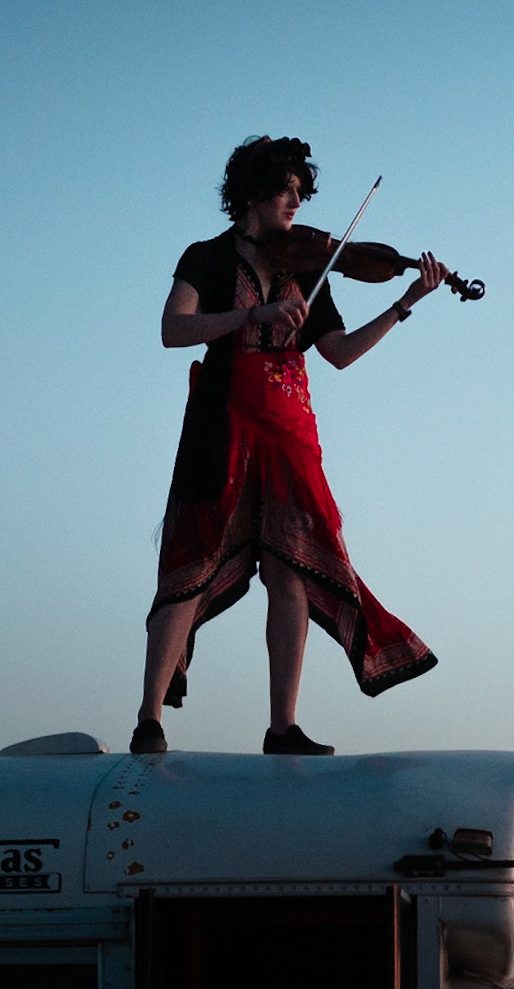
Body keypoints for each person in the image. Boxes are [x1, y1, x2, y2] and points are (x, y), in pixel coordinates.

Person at [132, 136, 442, 755]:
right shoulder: (207, 256)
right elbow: (173, 328)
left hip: (290, 426)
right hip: (223, 416)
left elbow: (339, 353)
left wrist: (404, 304)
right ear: (253, 194)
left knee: (291, 566)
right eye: (286, 191)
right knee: (193, 559)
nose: (296, 203)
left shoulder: (307, 269)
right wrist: (250, 318)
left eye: (301, 192)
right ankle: (149, 719)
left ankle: (283, 727)